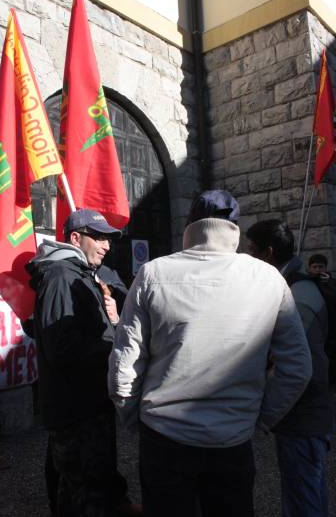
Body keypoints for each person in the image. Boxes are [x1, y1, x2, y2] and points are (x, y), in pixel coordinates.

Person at [108, 190, 312, 517]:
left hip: (164, 437)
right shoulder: (269, 278)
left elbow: (123, 370)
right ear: (234, 227)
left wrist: (137, 421)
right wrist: (258, 420)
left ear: (191, 224)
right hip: (232, 440)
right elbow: (298, 368)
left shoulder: (153, 273)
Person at [26, 208, 140, 517]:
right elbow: (62, 349)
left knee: (92, 483)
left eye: (108, 239)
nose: (107, 246)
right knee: (81, 493)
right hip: (76, 409)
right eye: (100, 237)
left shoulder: (81, 274)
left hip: (87, 404)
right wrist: (114, 344)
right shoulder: (62, 277)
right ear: (76, 238)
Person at [246, 219, 334, 517]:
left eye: (251, 250)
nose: (247, 256)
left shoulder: (299, 295)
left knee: (303, 498)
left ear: (268, 253)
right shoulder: (291, 286)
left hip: (304, 414)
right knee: (307, 492)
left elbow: (296, 366)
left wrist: (266, 414)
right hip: (302, 412)